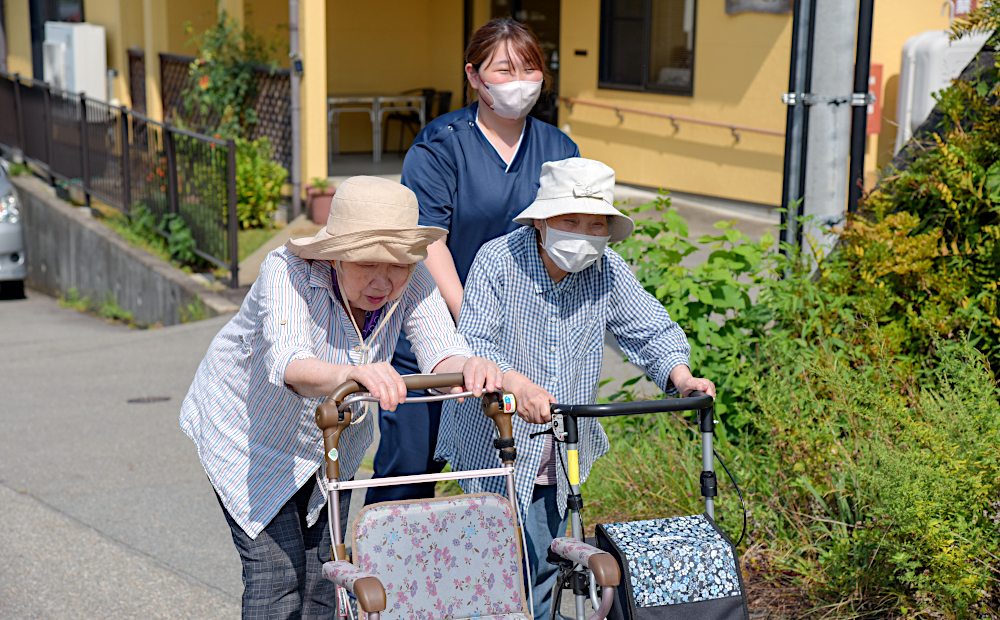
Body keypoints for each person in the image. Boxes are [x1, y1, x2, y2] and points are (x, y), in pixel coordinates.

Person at [179, 176, 503, 620]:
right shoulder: (287, 270)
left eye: (398, 265)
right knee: (276, 577)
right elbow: (290, 363)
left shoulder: (415, 277)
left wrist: (467, 366)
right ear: (337, 254)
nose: (384, 280)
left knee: (324, 575)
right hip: (248, 432)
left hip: (332, 440)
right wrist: (351, 372)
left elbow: (441, 351)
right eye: (368, 262)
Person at [436, 158, 717, 619]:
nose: (584, 232)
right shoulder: (499, 260)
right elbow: (476, 342)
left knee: (548, 560)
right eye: (571, 220)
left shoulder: (606, 268)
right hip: (495, 443)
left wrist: (680, 376)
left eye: (595, 224)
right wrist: (515, 382)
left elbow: (649, 329)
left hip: (562, 442)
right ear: (542, 220)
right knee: (495, 565)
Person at [368, 17, 581, 505]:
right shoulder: (442, 144)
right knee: (408, 471)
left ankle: (489, 579)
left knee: (502, 477)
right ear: (474, 75)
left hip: (518, 343)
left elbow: (569, 238)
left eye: (530, 69)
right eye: (504, 70)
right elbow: (429, 241)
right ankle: (380, 576)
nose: (520, 81)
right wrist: (471, 321)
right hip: (434, 335)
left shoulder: (558, 149)